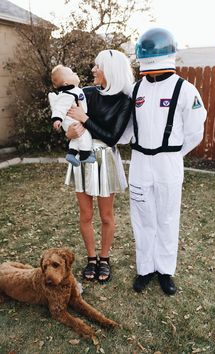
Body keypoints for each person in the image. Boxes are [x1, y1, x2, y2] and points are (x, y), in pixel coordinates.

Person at [127, 28, 207, 294]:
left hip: (169, 162)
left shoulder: (185, 90)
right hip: (139, 162)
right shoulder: (136, 89)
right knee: (142, 217)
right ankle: (145, 269)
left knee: (167, 218)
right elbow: (127, 128)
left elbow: (196, 132)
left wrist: (172, 154)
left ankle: (165, 271)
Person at [65, 49, 134, 283]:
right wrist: (68, 131)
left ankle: (104, 259)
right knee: (85, 214)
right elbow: (69, 122)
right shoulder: (85, 93)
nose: (93, 69)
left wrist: (85, 120)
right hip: (83, 158)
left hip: (105, 159)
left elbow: (112, 138)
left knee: (106, 215)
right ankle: (91, 258)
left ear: (111, 71)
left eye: (97, 66)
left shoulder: (125, 101)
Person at [48, 64, 96, 167]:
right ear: (66, 83)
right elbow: (60, 107)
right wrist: (57, 119)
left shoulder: (74, 90)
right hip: (71, 120)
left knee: (76, 138)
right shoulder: (67, 94)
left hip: (74, 119)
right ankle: (85, 155)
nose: (75, 73)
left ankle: (71, 154)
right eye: (72, 73)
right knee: (85, 135)